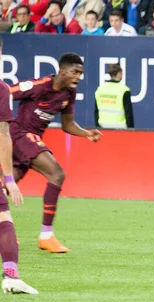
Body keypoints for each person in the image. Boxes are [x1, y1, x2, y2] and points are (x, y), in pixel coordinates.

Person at [8, 53, 103, 253]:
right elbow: (7, 91)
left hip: (28, 141)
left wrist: (86, 133)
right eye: (74, 72)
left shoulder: (69, 94)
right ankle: (46, 235)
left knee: (8, 183)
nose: (78, 77)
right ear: (62, 71)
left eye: (81, 73)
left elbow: (67, 125)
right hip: (19, 134)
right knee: (57, 173)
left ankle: (5, 232)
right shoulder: (39, 85)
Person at [0, 39, 37, 295]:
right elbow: (2, 136)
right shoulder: (1, 90)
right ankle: (11, 276)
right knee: (3, 219)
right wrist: (9, 180)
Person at [95, 64, 134, 129]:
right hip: (120, 130)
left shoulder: (100, 89)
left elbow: (96, 112)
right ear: (119, 74)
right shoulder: (124, 90)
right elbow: (128, 114)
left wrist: (98, 127)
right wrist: (131, 130)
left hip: (103, 128)